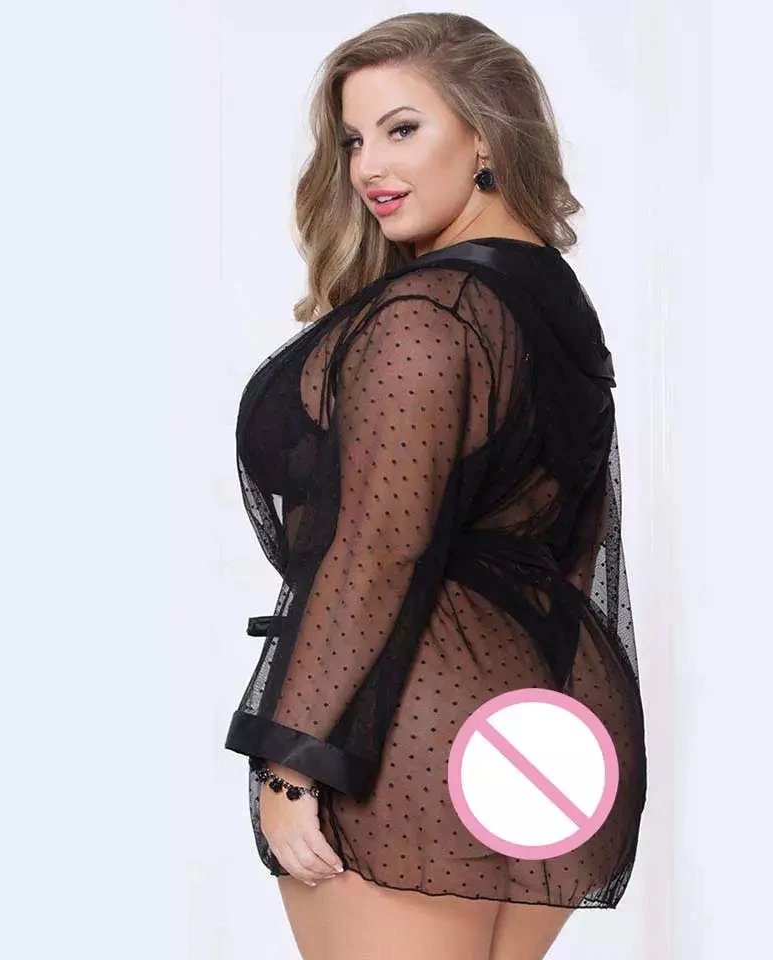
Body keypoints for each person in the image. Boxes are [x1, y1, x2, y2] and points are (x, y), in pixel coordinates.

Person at [224, 12, 647, 960]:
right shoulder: (555, 302)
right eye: (353, 140)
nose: (368, 166)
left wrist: (291, 764)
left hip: (412, 731)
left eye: (403, 128)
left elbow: (376, 548)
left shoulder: (429, 310)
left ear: (486, 135)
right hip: (553, 725)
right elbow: (573, 540)